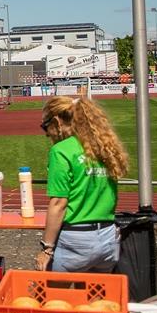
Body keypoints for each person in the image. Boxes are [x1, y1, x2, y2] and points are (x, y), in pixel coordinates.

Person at [35, 96, 128, 273]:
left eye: (46, 127)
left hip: (75, 239)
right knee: (95, 298)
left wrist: (47, 248)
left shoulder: (61, 151)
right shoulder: (103, 146)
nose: (47, 134)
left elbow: (58, 203)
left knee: (55, 296)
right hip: (108, 237)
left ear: (57, 121)